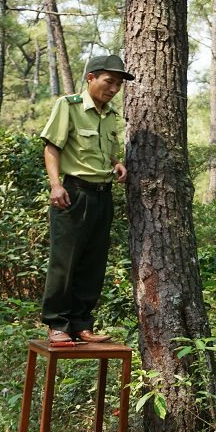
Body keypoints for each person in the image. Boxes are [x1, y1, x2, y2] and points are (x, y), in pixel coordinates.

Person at [39, 54, 133, 344]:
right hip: (74, 193)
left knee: (94, 262)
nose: (114, 88)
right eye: (109, 81)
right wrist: (55, 185)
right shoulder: (69, 107)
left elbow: (104, 151)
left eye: (118, 84)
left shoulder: (111, 115)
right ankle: (57, 324)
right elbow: (52, 147)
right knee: (65, 261)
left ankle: (81, 323)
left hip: (102, 195)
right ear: (90, 77)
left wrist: (116, 163)